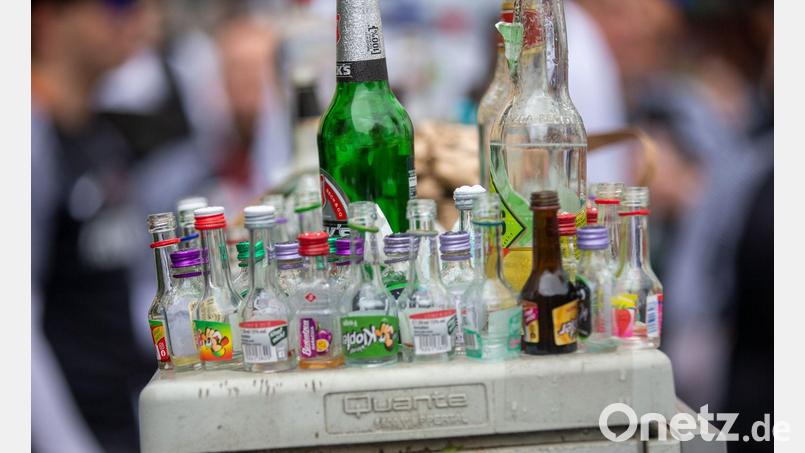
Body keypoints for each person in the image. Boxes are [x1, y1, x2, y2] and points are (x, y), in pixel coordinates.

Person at [32, 1, 159, 451]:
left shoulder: (102, 133)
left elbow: (127, 292)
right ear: (49, 18)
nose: (137, 16)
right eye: (116, 5)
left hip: (122, 416)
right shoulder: (30, 137)